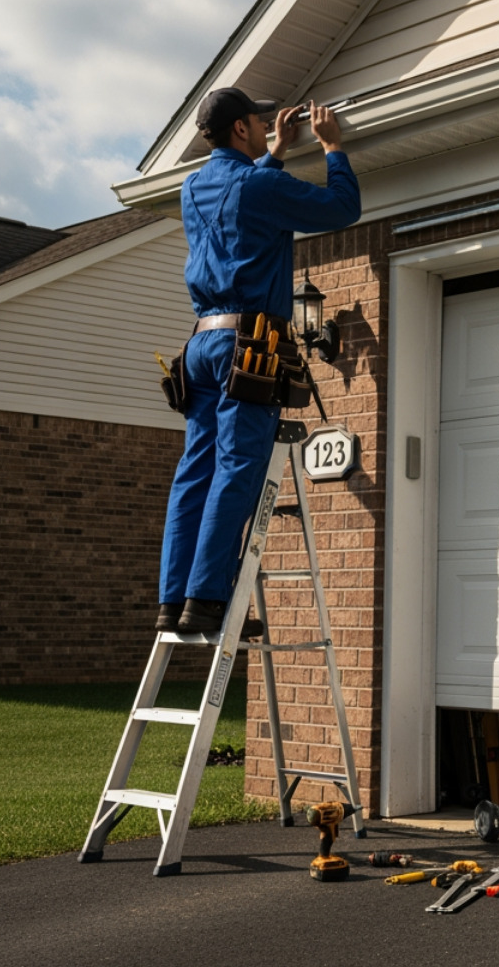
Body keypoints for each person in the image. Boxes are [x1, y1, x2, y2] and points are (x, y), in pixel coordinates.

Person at [157, 87, 361, 633]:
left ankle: (174, 600)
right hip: (249, 344)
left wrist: (276, 153)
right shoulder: (260, 184)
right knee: (237, 467)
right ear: (242, 130)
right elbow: (343, 208)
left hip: (200, 344)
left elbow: (241, 205)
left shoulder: (192, 186)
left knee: (195, 470)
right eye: (257, 120)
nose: (262, 125)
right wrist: (332, 148)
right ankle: (208, 600)